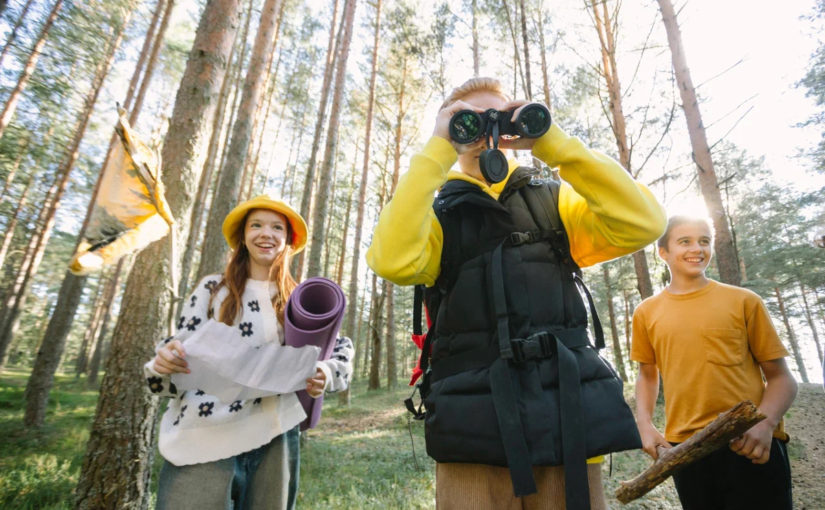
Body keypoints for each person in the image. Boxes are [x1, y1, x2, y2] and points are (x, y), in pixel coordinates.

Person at [367, 77, 666, 510]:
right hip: (472, 426)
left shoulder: (554, 202)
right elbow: (391, 260)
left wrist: (554, 144)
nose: (487, 131)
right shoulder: (433, 216)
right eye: (467, 121)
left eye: (500, 119)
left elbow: (643, 223)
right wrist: (436, 150)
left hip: (565, 411)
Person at [144, 195, 354, 510]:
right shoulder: (212, 289)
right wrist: (164, 362)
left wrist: (326, 372)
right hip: (202, 435)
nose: (266, 234)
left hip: (275, 437)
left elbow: (340, 349)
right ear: (243, 236)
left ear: (288, 240)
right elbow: (178, 348)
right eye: (256, 225)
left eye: (276, 227)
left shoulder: (300, 298)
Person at [631, 215, 798, 510]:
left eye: (704, 241)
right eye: (685, 241)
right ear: (663, 252)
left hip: (751, 443)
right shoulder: (646, 312)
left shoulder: (744, 301)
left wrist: (766, 423)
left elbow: (782, 378)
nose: (697, 248)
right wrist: (644, 424)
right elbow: (647, 374)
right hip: (686, 450)